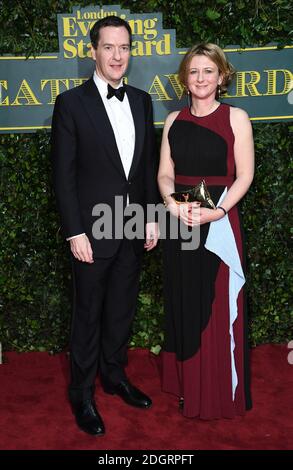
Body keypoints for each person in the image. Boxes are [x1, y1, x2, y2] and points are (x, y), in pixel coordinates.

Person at [51, 16, 159, 436]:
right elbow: (64, 175)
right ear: (93, 51)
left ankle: (113, 376)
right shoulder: (71, 104)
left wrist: (150, 217)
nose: (117, 56)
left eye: (124, 47)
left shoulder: (142, 100)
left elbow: (145, 167)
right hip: (92, 232)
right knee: (88, 313)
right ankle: (81, 392)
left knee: (120, 310)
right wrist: (75, 232)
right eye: (109, 47)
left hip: (132, 225)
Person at [158, 43, 254, 419]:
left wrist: (217, 212)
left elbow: (244, 175)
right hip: (180, 222)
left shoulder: (236, 117)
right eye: (194, 72)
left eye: (208, 71)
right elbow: (165, 173)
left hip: (219, 224)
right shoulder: (172, 122)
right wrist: (171, 203)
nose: (201, 78)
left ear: (221, 77)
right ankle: (189, 388)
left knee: (215, 308)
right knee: (186, 305)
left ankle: (217, 394)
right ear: (184, 78)